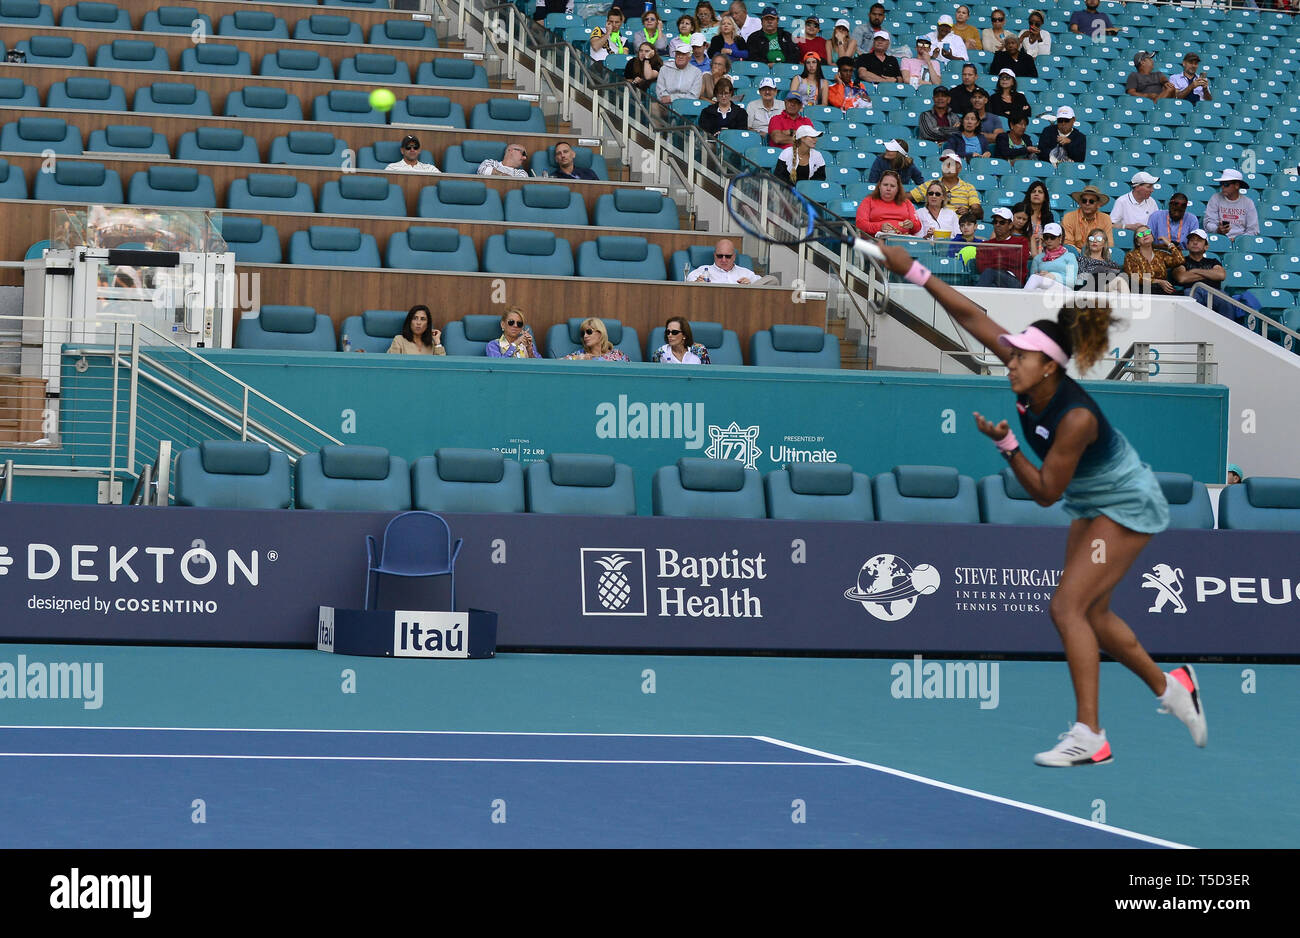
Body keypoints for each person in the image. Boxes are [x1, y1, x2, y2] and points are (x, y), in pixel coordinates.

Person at [872, 239, 1206, 768]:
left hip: (1127, 504)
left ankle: (1090, 733)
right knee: (1092, 613)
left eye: (1021, 356)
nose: (1010, 361)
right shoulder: (1028, 370)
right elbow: (969, 313)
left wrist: (1007, 446)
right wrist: (913, 269)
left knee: (1066, 607)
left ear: (1048, 367)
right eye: (1014, 353)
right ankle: (1172, 686)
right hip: (1089, 502)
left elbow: (1047, 493)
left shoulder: (1075, 418)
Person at [908, 150, 981, 217]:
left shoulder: (969, 188)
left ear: (959, 168)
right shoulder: (931, 184)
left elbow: (978, 211)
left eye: (950, 165)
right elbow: (906, 197)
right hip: (935, 227)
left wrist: (969, 212)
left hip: (959, 227)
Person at [973, 206, 1030, 286]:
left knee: (990, 273)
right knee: (990, 277)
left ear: (1010, 225)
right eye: (995, 222)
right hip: (991, 278)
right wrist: (1006, 258)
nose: (997, 225)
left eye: (1002, 222)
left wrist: (994, 260)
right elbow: (981, 267)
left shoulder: (1021, 242)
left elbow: (1018, 261)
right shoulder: (985, 245)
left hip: (1014, 281)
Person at [856, 169, 921, 237]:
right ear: (879, 186)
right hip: (875, 240)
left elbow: (918, 226)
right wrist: (880, 227)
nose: (888, 188)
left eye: (892, 186)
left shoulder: (906, 202)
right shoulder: (868, 201)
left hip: (903, 240)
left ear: (897, 189)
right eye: (885, 185)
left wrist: (912, 225)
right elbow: (860, 224)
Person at [1123, 226, 1182, 295]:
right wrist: (1158, 281)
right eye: (1140, 234)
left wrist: (1170, 244)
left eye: (1148, 232)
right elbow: (1135, 277)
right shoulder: (1131, 256)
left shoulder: (1160, 254)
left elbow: (1180, 260)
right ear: (1137, 242)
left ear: (1152, 237)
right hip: (1142, 291)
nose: (1145, 235)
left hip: (1161, 290)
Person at [1203, 169, 1259, 240]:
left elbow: (1253, 230)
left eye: (1226, 184)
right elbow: (1208, 223)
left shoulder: (1248, 202)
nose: (1222, 187)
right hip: (1218, 238)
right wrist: (1218, 230)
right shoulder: (1215, 198)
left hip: (1241, 242)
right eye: (1221, 184)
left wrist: (1237, 240)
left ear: (1237, 185)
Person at [1026, 222, 1078, 291]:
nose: (1049, 240)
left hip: (1064, 289)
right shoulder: (1038, 258)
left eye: (1052, 237)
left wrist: (1052, 276)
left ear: (1060, 238)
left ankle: (1020, 300)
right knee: (1036, 285)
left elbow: (1071, 282)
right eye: (1046, 237)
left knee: (1035, 279)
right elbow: (1032, 279)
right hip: (1043, 289)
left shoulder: (1070, 256)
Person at [1062, 184, 1112, 248]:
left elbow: (1108, 244)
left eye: (1091, 201)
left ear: (1098, 204)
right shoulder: (1069, 217)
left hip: (1098, 255)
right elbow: (1068, 244)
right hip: (1075, 256)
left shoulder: (1106, 219)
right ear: (1080, 203)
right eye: (1084, 201)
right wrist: (1084, 255)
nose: (1087, 204)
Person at [657, 41, 704, 108]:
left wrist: (672, 98)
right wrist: (668, 99)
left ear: (689, 57)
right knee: (654, 107)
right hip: (666, 106)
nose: (680, 57)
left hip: (686, 105)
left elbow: (694, 96)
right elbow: (661, 92)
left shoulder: (697, 72)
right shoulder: (664, 69)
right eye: (678, 54)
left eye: (683, 54)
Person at [687, 238, 758, 283]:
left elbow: (764, 283)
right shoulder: (704, 270)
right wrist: (697, 282)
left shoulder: (745, 273)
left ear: (734, 257)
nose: (723, 260)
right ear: (714, 255)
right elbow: (689, 280)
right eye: (720, 256)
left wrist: (751, 284)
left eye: (728, 256)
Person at [565, 318, 630, 361]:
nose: (585, 336)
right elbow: (557, 363)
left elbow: (633, 371)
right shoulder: (581, 354)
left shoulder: (617, 354)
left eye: (589, 332)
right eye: (583, 333)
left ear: (600, 333)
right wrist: (577, 358)